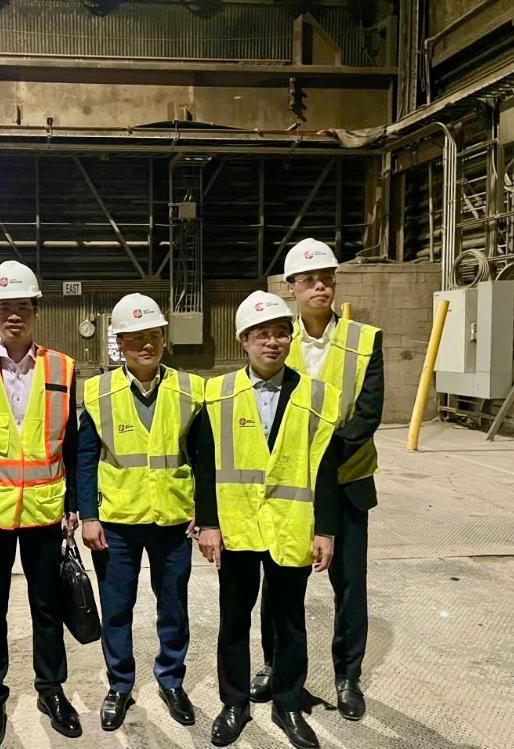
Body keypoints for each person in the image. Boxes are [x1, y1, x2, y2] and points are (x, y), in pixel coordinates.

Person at [195, 290, 340, 749]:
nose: (272, 342)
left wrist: (325, 529)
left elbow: (326, 469)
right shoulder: (217, 393)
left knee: (289, 621)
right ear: (243, 339)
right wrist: (208, 523)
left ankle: (288, 703)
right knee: (234, 620)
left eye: (280, 333)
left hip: (292, 526)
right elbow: (204, 465)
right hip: (237, 526)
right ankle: (234, 703)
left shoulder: (317, 396)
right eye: (262, 334)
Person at [249, 239, 383, 721]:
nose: (319, 286)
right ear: (291, 288)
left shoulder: (365, 340)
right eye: (308, 280)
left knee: (350, 585)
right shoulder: (277, 339)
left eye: (326, 277)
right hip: (289, 489)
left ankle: (348, 676)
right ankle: (274, 665)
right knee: (281, 584)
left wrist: (321, 460)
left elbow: (367, 413)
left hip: (347, 482)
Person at [0, 260, 81, 749]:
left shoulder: (62, 367)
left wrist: (74, 502)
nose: (13, 315)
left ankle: (51, 690)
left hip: (45, 509)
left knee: (46, 607)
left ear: (36, 311)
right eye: (4, 307)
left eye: (22, 307)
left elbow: (73, 442)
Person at [78, 293, 204, 731]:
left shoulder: (190, 390)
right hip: (117, 521)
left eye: (152, 335)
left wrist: (204, 511)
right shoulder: (98, 392)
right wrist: (88, 515)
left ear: (164, 339)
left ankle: (171, 680)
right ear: (119, 344)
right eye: (134, 338)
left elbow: (202, 457)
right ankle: (119, 685)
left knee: (173, 607)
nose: (145, 344)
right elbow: (85, 457)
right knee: (116, 608)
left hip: (173, 518)